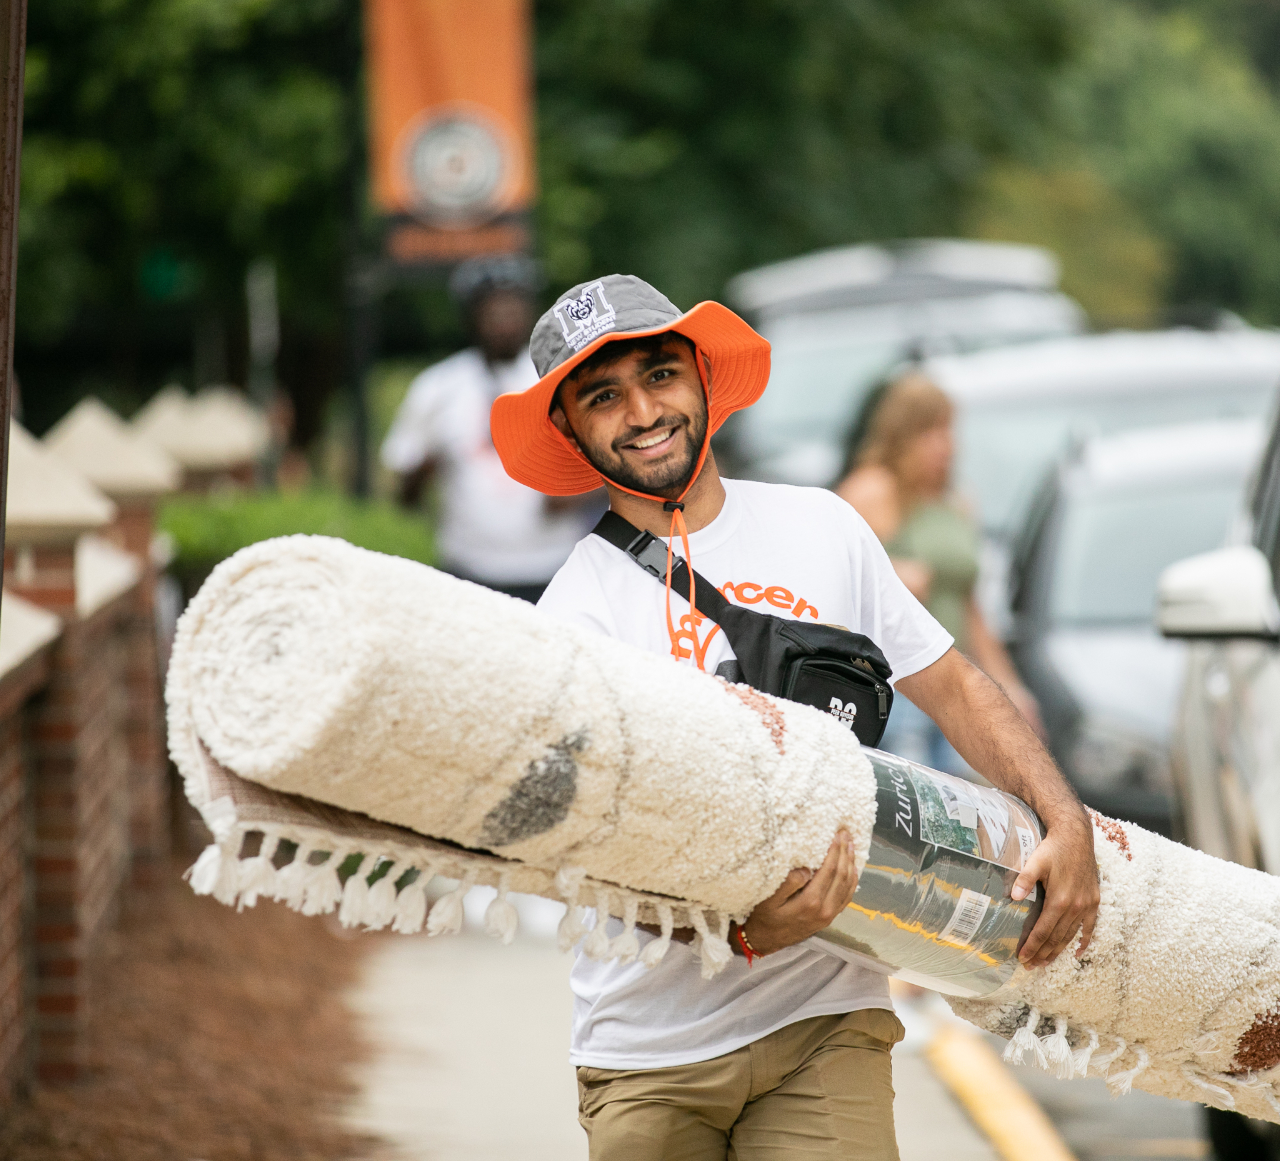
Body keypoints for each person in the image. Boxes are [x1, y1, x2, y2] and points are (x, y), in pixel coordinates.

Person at [490, 274, 1101, 1161]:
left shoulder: (824, 528)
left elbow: (956, 685)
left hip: (825, 1015)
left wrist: (1063, 815)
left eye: (660, 375)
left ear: (702, 378)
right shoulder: (572, 616)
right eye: (603, 396)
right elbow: (580, 850)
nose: (642, 410)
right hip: (651, 1052)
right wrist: (725, 928)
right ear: (571, 429)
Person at [837, 373, 1044, 777]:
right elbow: (833, 572)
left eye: (948, 431)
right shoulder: (873, 491)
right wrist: (894, 574)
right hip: (899, 690)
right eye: (930, 432)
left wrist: (1009, 687)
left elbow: (971, 608)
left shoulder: (956, 501)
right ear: (901, 436)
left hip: (955, 685)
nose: (946, 445)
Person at [381, 255, 598, 602]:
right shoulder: (439, 387)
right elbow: (404, 494)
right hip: (467, 570)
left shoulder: (562, 379)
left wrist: (576, 494)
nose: (504, 320)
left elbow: (615, 465)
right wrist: (422, 472)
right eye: (492, 311)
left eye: (514, 308)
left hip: (557, 566)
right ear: (470, 317)